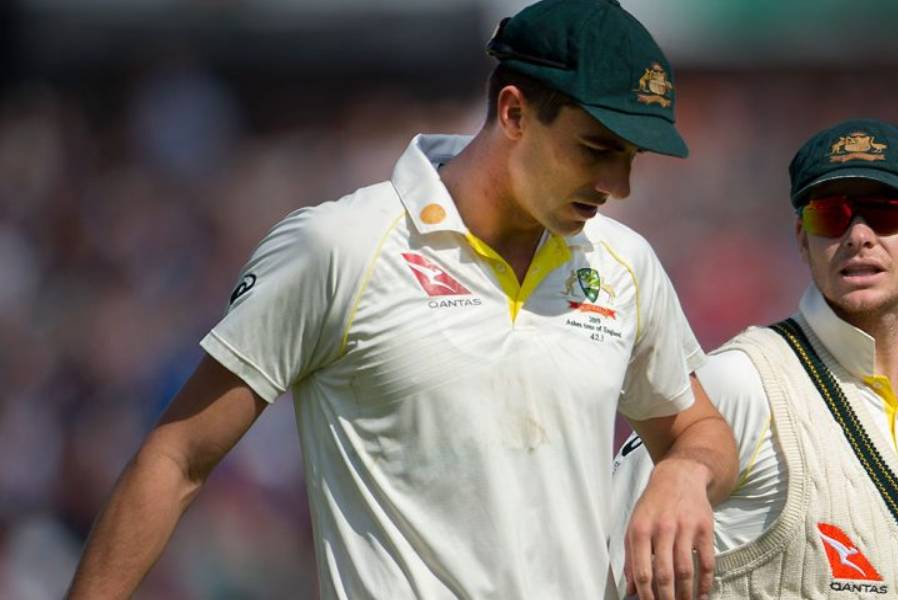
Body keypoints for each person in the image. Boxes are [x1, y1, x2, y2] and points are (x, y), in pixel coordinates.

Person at [67, 1, 737, 598]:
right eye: (597, 150)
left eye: (631, 159)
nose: (618, 185)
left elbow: (702, 432)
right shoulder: (339, 248)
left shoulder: (626, 263)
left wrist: (683, 473)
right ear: (513, 113)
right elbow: (176, 457)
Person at [610, 118, 898, 598]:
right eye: (831, 215)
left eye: (886, 211)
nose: (858, 234)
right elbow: (601, 570)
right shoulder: (739, 382)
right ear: (801, 238)